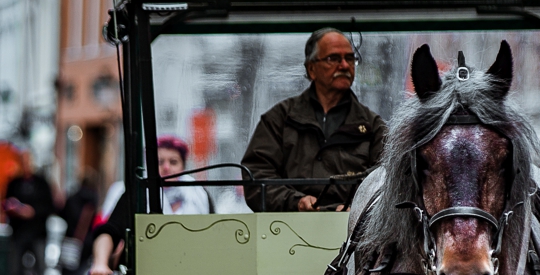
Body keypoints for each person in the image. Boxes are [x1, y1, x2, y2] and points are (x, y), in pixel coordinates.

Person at [241, 27, 384, 212]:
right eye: (334, 58)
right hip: (286, 232)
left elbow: (387, 183)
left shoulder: (373, 127)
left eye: (350, 58)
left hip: (355, 235)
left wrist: (358, 209)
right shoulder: (280, 119)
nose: (344, 66)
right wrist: (296, 202)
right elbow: (257, 178)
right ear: (311, 69)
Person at [3, 155, 55, 275]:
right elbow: (5, 204)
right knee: (16, 274)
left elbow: (51, 207)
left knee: (39, 274)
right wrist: (13, 209)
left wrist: (31, 211)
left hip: (38, 234)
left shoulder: (42, 184)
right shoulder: (14, 183)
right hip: (18, 234)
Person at [58, 173, 100, 275]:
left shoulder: (73, 197)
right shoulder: (94, 200)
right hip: (87, 243)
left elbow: (62, 214)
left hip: (71, 241)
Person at [154, 136, 212, 214]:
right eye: (160, 162)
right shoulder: (141, 195)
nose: (166, 167)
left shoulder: (199, 192)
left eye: (173, 162)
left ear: (183, 166)